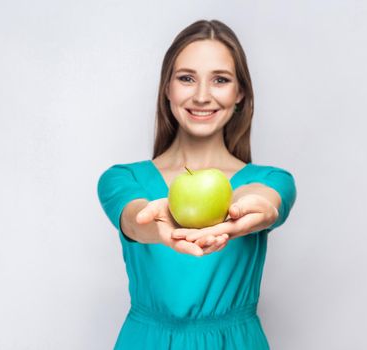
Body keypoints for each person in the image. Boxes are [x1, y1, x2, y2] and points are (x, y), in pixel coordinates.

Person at [97, 19, 297, 350]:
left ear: (239, 92)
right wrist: (158, 226)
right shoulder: (123, 178)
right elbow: (134, 219)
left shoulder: (272, 180)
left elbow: (259, 199)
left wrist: (253, 211)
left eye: (220, 80)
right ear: (167, 89)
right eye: (187, 78)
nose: (202, 96)